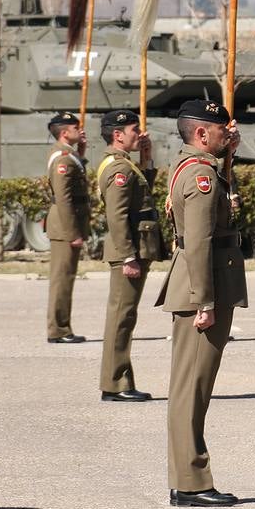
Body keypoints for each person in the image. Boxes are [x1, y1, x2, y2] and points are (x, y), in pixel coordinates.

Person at [154, 99, 247, 508]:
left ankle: (187, 479)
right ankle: (191, 482)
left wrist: (230, 156)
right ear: (201, 134)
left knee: (192, 389)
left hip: (202, 288)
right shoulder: (200, 176)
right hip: (202, 291)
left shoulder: (199, 168)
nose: (228, 134)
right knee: (192, 390)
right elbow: (199, 242)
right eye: (222, 129)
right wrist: (205, 300)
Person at [96, 109, 165, 403]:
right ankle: (115, 383)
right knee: (121, 318)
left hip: (134, 249)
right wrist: (127, 257)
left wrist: (146, 157)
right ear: (118, 135)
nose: (139, 134)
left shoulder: (125, 164)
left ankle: (118, 381)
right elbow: (118, 215)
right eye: (135, 130)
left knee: (124, 316)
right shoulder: (118, 169)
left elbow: (143, 191)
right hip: (129, 251)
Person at [45, 111, 88, 344]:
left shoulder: (69, 155)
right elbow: (64, 198)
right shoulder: (62, 158)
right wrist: (73, 232)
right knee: (62, 279)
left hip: (67, 225)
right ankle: (58, 330)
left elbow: (77, 178)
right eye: (75, 128)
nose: (80, 131)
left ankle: (63, 327)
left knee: (66, 278)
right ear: (64, 133)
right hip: (64, 227)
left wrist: (81, 153)